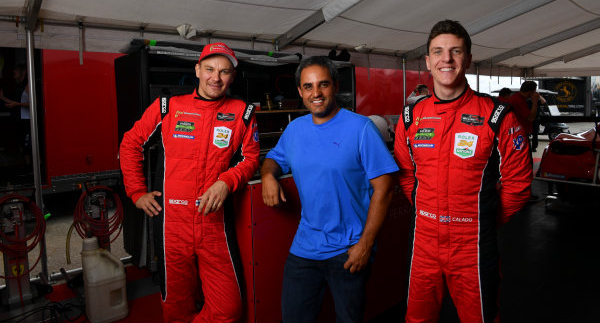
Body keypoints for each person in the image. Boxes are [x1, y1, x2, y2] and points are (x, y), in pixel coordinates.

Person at [394, 20, 532, 323]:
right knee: (417, 318)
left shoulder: (497, 116)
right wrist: (424, 209)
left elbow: (519, 184)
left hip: (473, 246)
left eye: (455, 51)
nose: (447, 59)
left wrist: (485, 218)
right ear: (428, 62)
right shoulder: (411, 117)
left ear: (467, 59)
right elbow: (405, 173)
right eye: (438, 52)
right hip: (424, 242)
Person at [119, 42, 260, 323]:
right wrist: (136, 192)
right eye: (209, 69)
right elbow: (130, 144)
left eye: (224, 71)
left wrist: (226, 182)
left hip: (214, 225)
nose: (215, 78)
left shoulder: (242, 113)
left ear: (232, 76)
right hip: (173, 226)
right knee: (176, 309)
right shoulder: (168, 107)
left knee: (228, 310)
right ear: (197, 70)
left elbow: (250, 159)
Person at [261, 55, 398, 323]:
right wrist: (268, 176)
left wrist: (365, 245)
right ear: (300, 92)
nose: (316, 93)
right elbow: (273, 160)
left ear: (335, 86)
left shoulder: (361, 128)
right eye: (308, 87)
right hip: (305, 247)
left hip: (349, 249)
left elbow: (385, 189)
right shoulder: (295, 129)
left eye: (323, 85)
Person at [507, 80, 540, 145]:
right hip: (519, 133)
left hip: (516, 132)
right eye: (534, 91)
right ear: (530, 92)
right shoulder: (519, 101)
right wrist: (535, 102)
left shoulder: (516, 98)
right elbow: (531, 118)